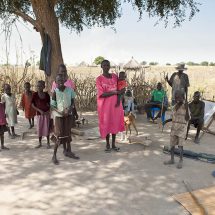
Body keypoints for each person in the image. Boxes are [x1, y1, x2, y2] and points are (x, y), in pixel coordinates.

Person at [96, 60, 125, 152]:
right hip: (105, 107)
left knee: (114, 123)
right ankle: (107, 144)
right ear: (101, 66)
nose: (106, 66)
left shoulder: (115, 76)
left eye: (108, 65)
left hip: (116, 105)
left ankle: (113, 145)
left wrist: (119, 97)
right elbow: (102, 94)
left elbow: (122, 87)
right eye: (104, 65)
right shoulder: (99, 79)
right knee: (107, 124)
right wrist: (115, 92)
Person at [51, 74, 79, 165]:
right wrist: (60, 112)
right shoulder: (55, 92)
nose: (60, 82)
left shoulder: (70, 90)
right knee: (58, 135)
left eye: (62, 80)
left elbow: (72, 103)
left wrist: (70, 110)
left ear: (64, 81)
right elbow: (52, 106)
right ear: (56, 82)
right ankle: (54, 156)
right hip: (59, 116)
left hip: (68, 115)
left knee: (67, 133)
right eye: (58, 81)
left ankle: (68, 151)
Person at [164, 90, 190, 169]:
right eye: (175, 97)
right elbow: (172, 117)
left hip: (182, 129)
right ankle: (172, 159)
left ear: (183, 97)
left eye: (178, 97)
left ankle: (181, 160)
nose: (176, 98)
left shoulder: (185, 106)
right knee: (172, 144)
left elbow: (188, 118)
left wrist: (187, 108)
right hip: (174, 128)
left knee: (180, 146)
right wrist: (165, 121)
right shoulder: (174, 106)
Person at [31, 80, 51, 149]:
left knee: (47, 128)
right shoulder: (35, 95)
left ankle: (48, 142)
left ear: (43, 87)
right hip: (39, 115)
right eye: (37, 86)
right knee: (39, 129)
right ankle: (40, 143)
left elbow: (49, 104)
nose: (38, 87)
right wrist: (39, 110)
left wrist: (48, 111)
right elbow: (32, 104)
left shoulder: (46, 95)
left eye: (40, 86)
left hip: (46, 115)